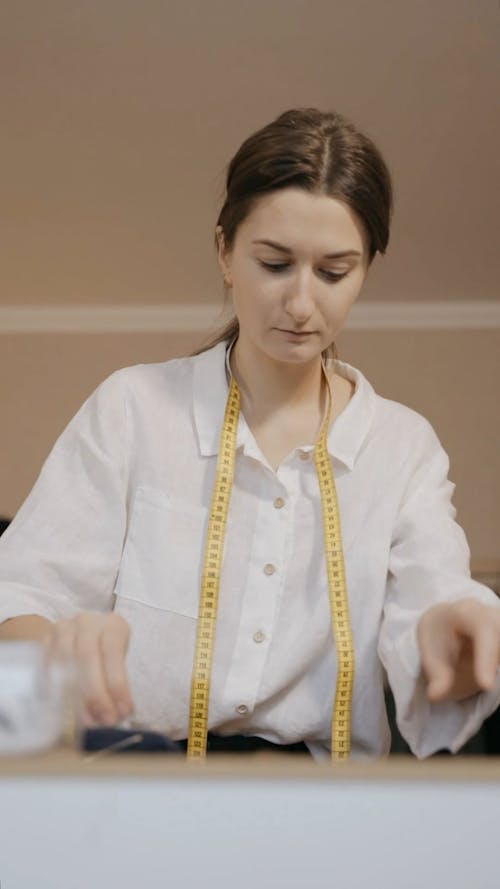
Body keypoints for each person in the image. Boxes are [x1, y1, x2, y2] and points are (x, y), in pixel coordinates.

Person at [0, 106, 499, 760]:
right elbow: (24, 595)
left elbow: (434, 617)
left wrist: (458, 643)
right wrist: (52, 649)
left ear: (367, 268)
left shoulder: (402, 449)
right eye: (274, 263)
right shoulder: (133, 409)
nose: (299, 303)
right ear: (224, 252)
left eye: (333, 271)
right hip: (135, 786)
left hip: (326, 812)